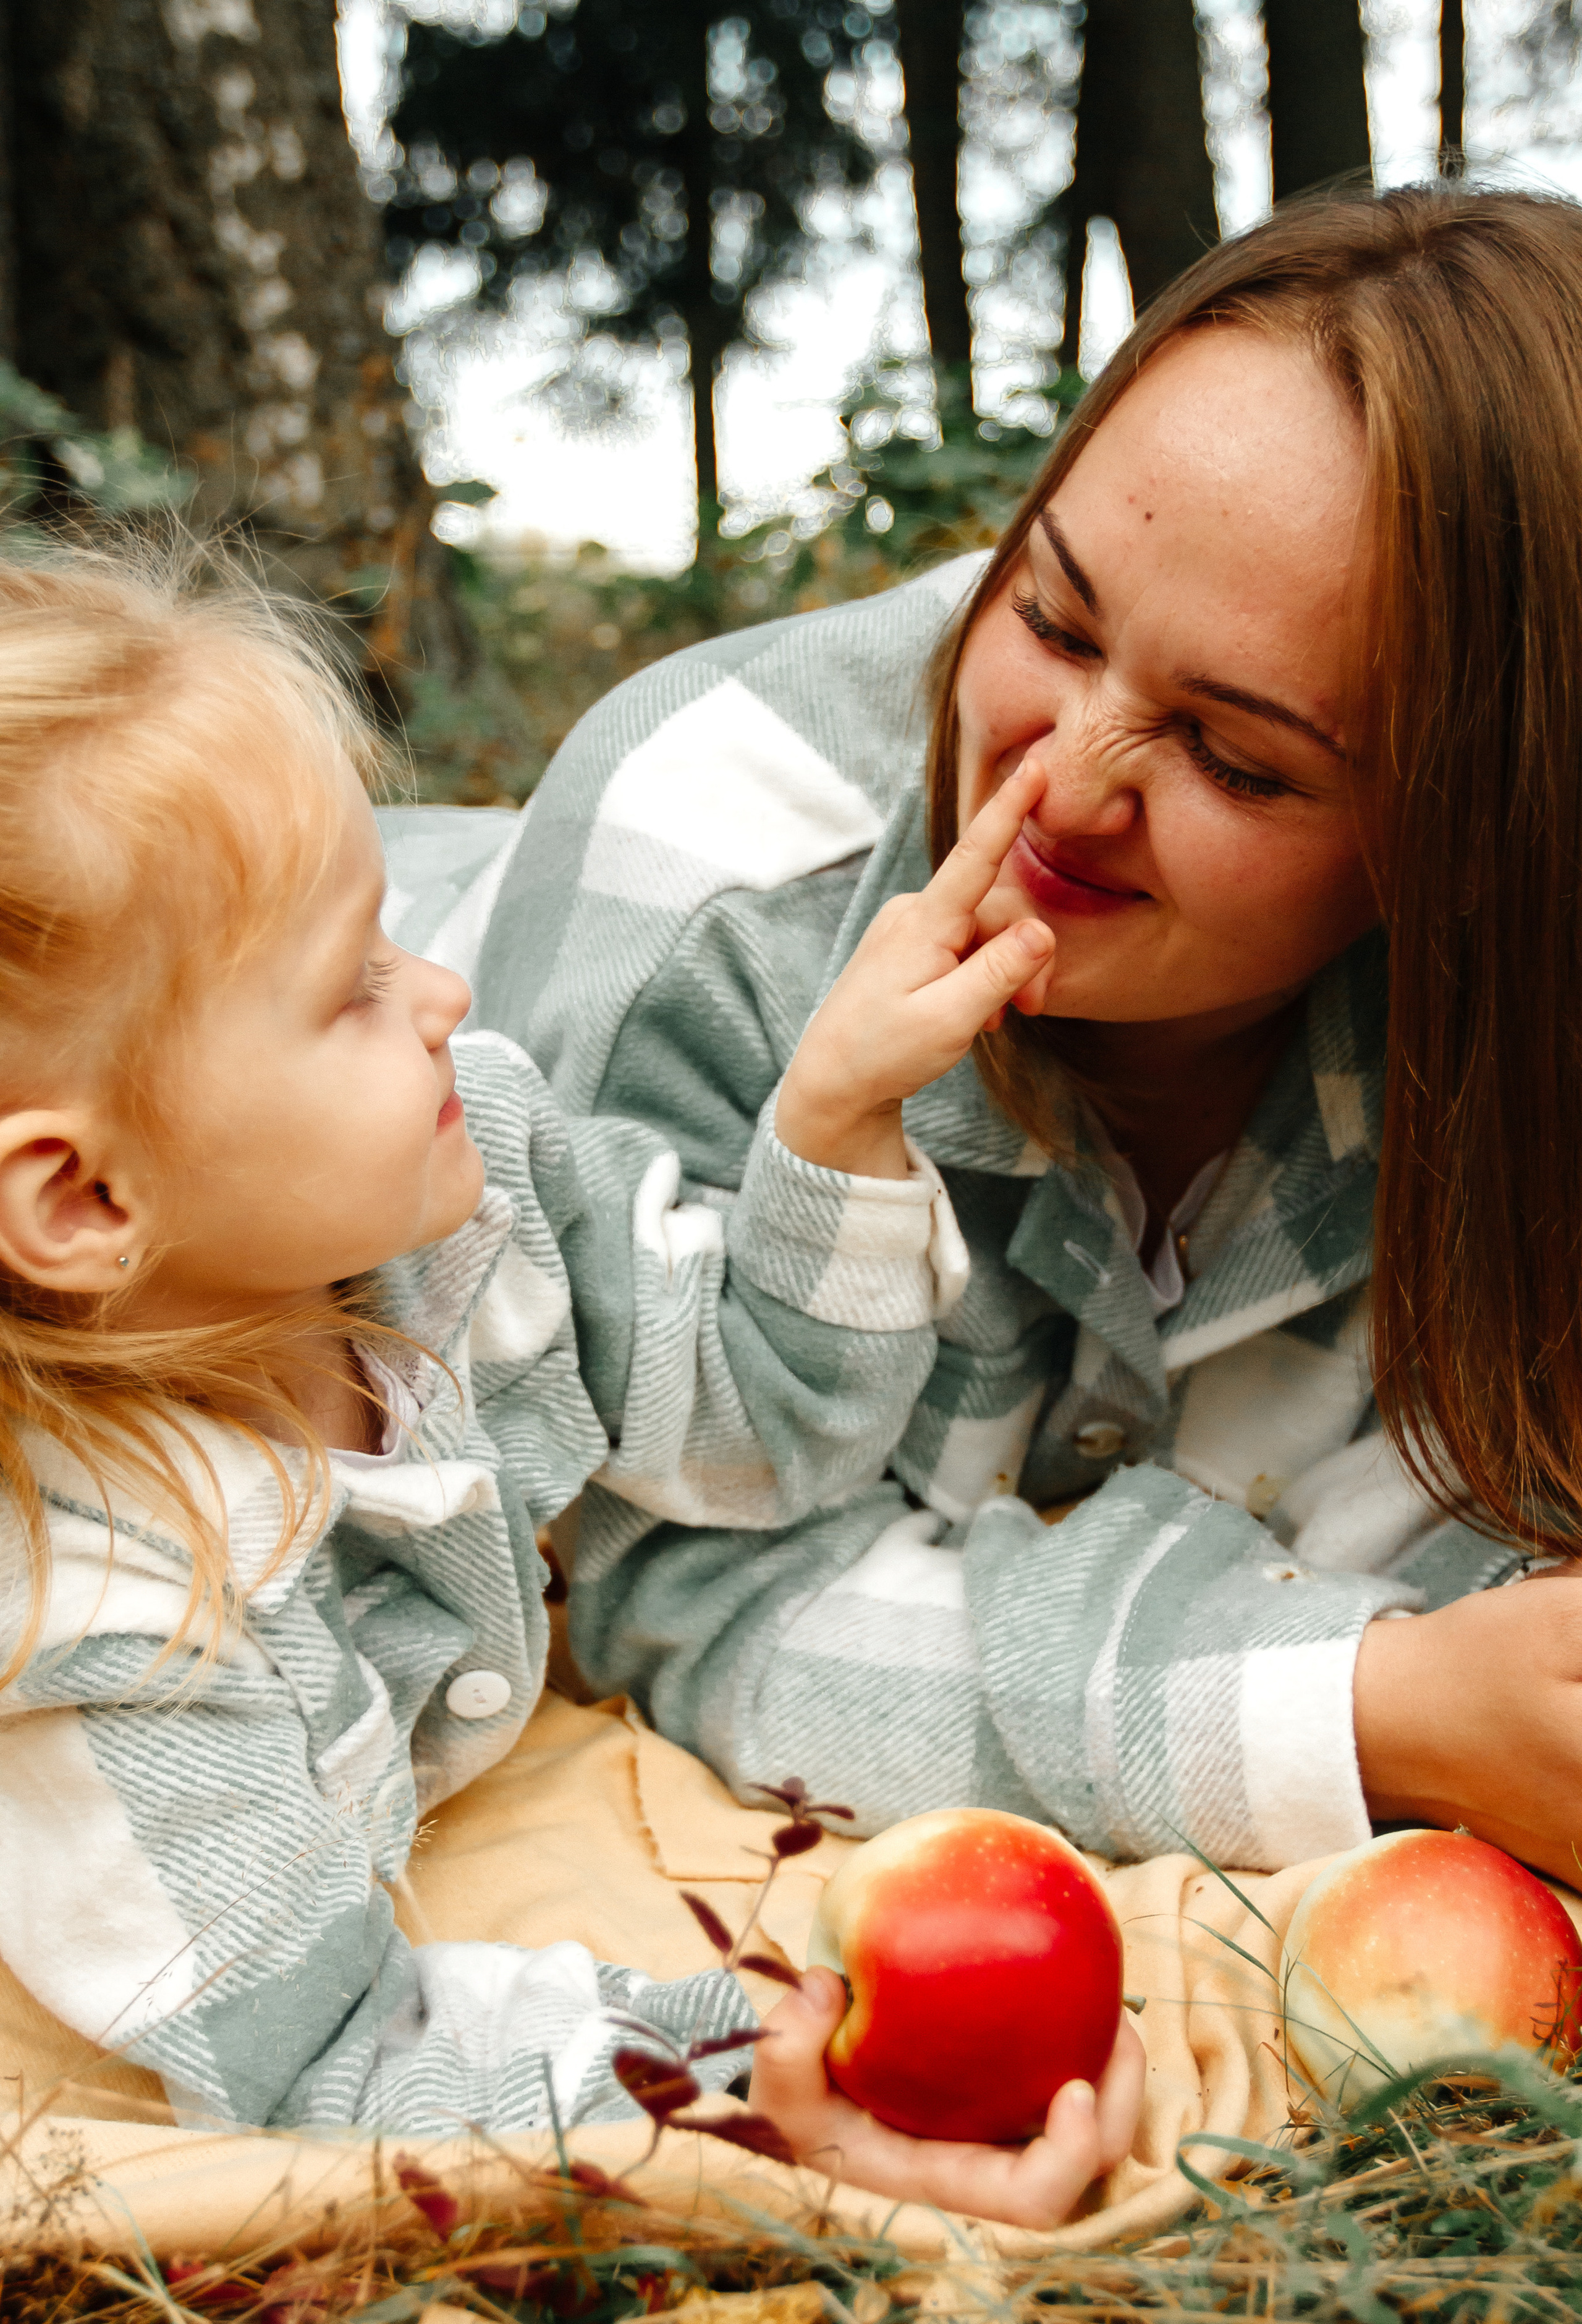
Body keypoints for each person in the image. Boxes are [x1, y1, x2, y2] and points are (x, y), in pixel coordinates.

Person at [428, 182, 1582, 1890]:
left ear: (1482, 846)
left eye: (1236, 758)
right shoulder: (711, 886)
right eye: (1048, 615)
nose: (1058, 783)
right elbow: (664, 1588)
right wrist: (1358, 1710)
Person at [0, 539, 1143, 2221]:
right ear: (89, 1202)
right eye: (353, 989)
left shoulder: (460, 1200)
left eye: (396, 929)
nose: (444, 992)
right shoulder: (100, 1627)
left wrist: (831, 1123)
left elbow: (768, 1440)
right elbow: (337, 2069)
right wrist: (751, 2071)